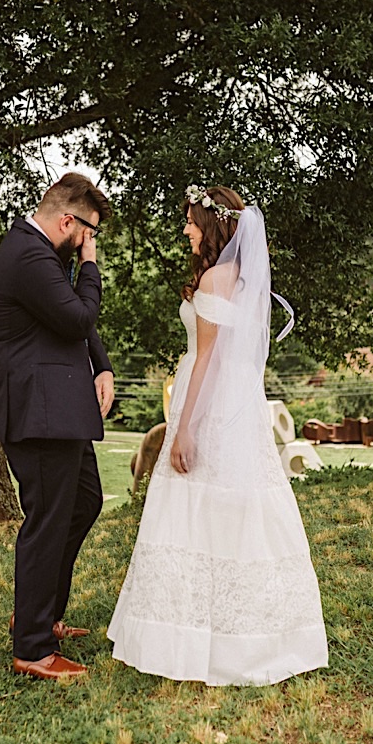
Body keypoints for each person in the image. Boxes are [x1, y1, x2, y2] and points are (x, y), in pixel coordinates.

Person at [107, 186, 328, 686]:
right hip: (235, 403)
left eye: (190, 221)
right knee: (237, 505)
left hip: (206, 401)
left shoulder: (214, 277)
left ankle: (196, 635)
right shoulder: (240, 276)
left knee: (194, 503)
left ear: (213, 226)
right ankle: (244, 630)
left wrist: (183, 428)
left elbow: (206, 357)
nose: (185, 229)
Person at [0, 172, 115, 680]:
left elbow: (75, 325)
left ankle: (41, 613)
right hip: (39, 413)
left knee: (83, 503)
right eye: (88, 232)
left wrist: (100, 365)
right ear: (67, 221)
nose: (89, 241)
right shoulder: (30, 256)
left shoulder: (41, 255)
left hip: (60, 410)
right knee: (46, 522)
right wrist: (90, 265)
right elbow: (79, 317)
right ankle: (32, 648)